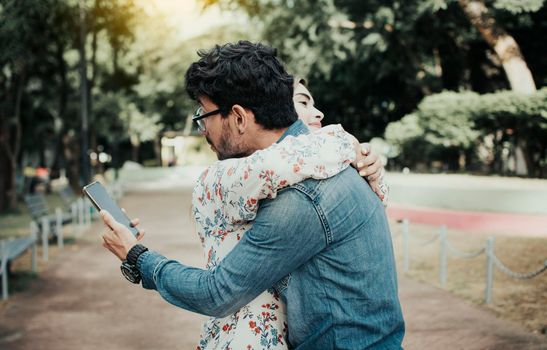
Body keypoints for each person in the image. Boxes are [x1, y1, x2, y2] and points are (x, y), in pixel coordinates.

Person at [100, 41, 404, 349]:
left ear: (239, 118)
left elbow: (217, 294)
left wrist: (136, 256)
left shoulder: (301, 195)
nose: (202, 127)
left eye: (204, 114)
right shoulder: (319, 159)